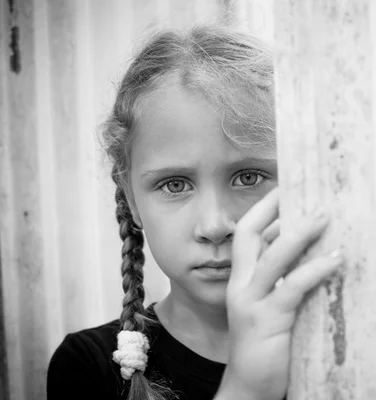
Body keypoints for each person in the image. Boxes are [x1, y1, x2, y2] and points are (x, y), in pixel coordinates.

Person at [46, 24, 343, 400]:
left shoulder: (342, 343)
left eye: (248, 176)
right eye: (175, 185)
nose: (215, 225)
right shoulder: (88, 366)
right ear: (131, 200)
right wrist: (247, 389)